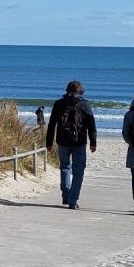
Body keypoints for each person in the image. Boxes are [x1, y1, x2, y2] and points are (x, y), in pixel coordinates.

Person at [46, 80, 97, 209]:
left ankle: (65, 195)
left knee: (64, 167)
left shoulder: (59, 103)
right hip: (79, 142)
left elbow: (52, 124)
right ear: (80, 92)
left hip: (62, 140)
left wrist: (49, 142)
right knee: (78, 171)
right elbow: (91, 124)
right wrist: (93, 141)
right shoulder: (84, 104)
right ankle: (73, 200)